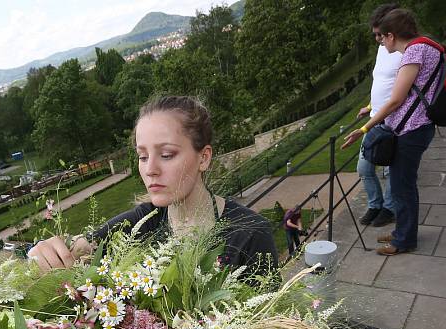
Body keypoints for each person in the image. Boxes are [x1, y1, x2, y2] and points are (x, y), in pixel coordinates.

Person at [28, 95, 277, 277]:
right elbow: (80, 248)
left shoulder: (250, 234)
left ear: (204, 157)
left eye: (167, 154)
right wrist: (46, 252)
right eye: (143, 156)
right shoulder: (140, 225)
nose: (150, 170)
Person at [342, 8, 439, 255]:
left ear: (392, 35)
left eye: (382, 37)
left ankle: (404, 241)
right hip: (413, 127)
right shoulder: (423, 47)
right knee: (401, 185)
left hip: (413, 129)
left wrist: (363, 129)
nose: (381, 42)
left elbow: (395, 100)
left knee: (402, 187)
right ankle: (401, 233)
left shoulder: (412, 53)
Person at [357, 3, 402, 228]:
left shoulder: (405, 52)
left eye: (379, 34)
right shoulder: (382, 49)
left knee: (392, 167)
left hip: (393, 120)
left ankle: (389, 208)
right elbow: (382, 82)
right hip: (375, 115)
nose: (377, 39)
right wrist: (369, 105)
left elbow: (400, 91)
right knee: (364, 168)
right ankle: (376, 204)